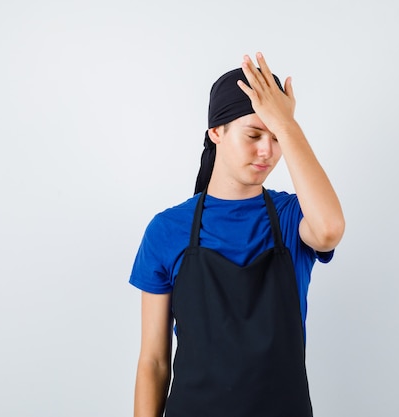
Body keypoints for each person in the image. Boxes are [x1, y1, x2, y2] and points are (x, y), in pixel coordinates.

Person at [129, 52, 345, 417]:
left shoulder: (292, 217)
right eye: (254, 134)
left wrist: (288, 125)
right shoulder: (167, 230)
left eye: (276, 137)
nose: (267, 151)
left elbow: (328, 231)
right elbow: (153, 361)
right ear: (216, 132)